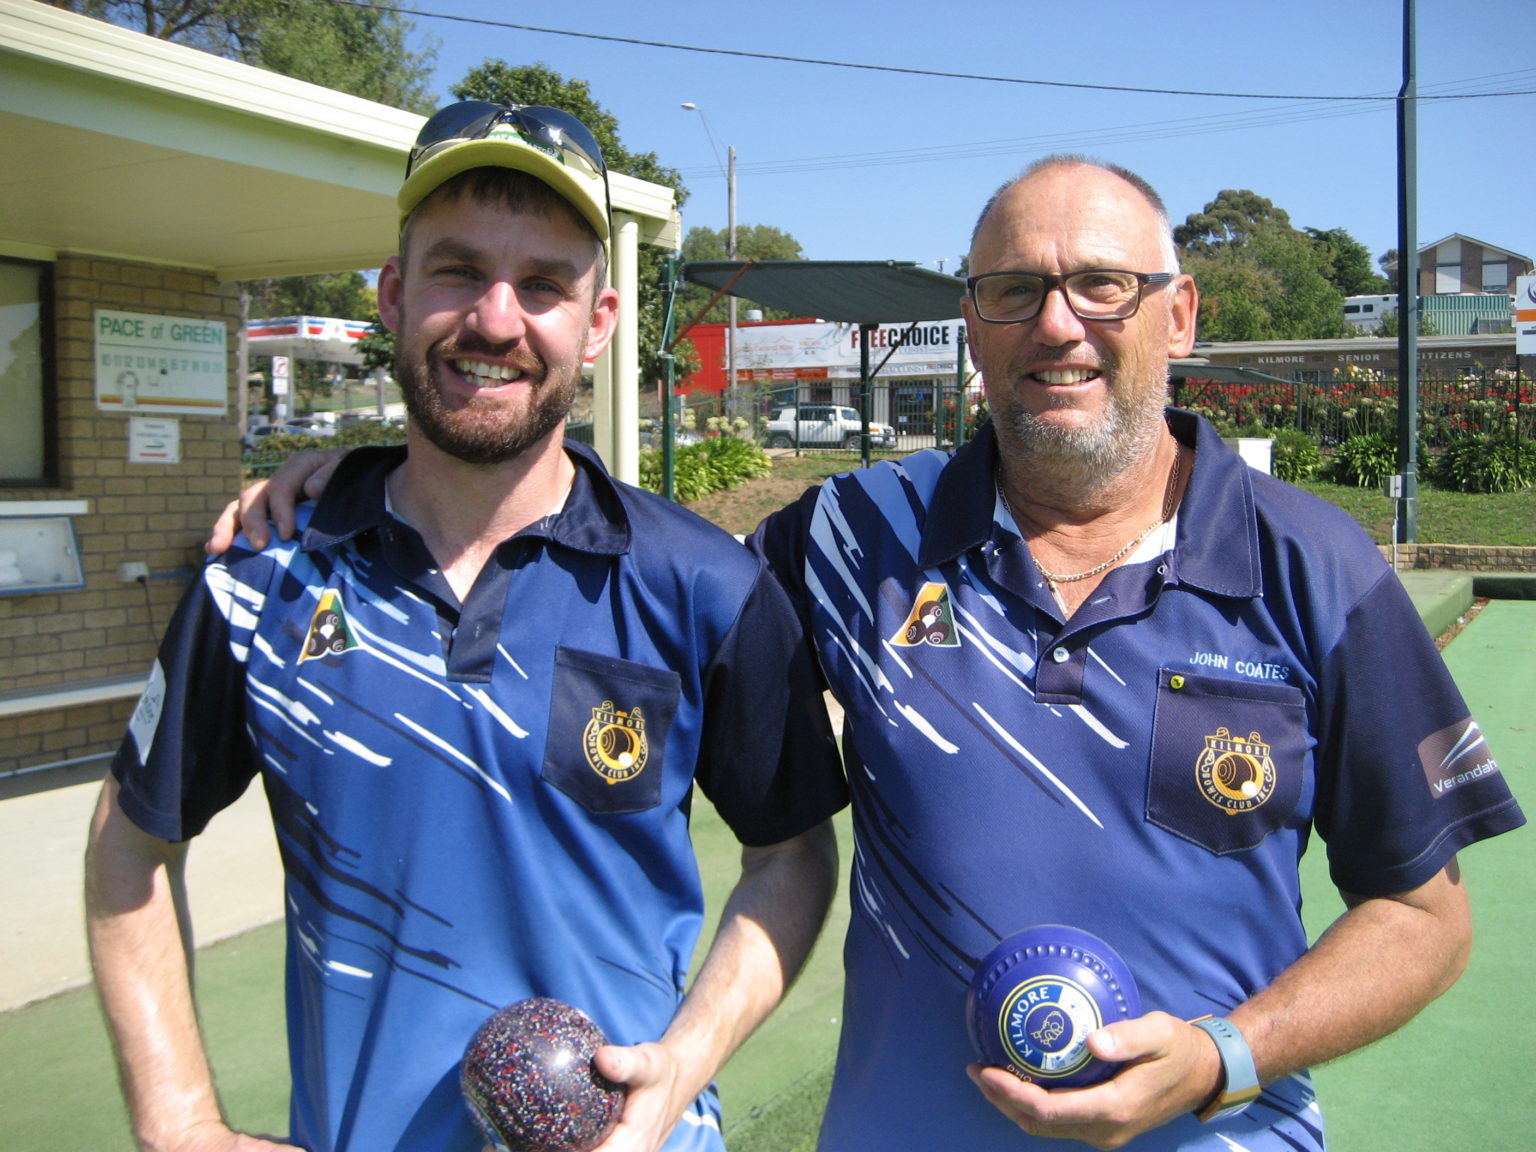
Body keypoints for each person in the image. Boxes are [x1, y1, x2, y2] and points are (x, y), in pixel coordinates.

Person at [215, 155, 1525, 1151]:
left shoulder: (1316, 567)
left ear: (1178, 315)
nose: (1057, 323)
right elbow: (600, 550)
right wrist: (380, 479)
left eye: (1101, 285)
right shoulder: (858, 539)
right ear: (973, 323)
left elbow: (1422, 914)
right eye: (1014, 291)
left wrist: (1226, 1054)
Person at [88, 101, 845, 1152]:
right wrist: (177, 1125)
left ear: (601, 319)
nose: (497, 320)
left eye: (544, 285)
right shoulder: (262, 581)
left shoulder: (705, 588)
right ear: (393, 296)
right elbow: (128, 849)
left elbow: (793, 857)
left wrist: (685, 1068)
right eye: (457, 271)